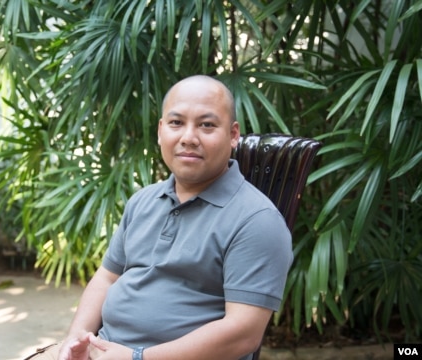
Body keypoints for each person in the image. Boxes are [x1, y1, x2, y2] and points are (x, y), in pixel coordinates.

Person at [24, 75, 293, 360]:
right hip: (105, 350)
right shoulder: (143, 201)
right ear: (160, 130)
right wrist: (75, 339)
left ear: (233, 134)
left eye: (207, 125)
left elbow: (243, 333)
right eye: (177, 123)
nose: (189, 138)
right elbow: (106, 278)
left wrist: (137, 357)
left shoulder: (257, 220)